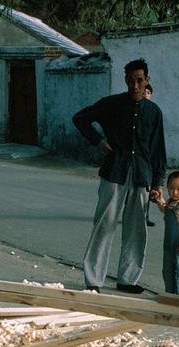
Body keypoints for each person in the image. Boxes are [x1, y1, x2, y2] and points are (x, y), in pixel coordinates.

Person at [72, 58, 166, 294]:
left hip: (141, 176)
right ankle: (93, 280)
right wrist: (99, 141)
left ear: (147, 81)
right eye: (131, 81)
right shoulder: (111, 104)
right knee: (104, 224)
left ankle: (128, 279)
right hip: (114, 172)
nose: (135, 86)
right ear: (125, 80)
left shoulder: (154, 112)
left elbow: (158, 151)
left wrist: (157, 184)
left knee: (136, 229)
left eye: (139, 81)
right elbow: (80, 118)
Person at [143, 83, 156, 228]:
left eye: (148, 92)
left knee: (148, 189)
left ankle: (144, 216)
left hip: (150, 157)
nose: (145, 94)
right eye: (144, 92)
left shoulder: (154, 113)